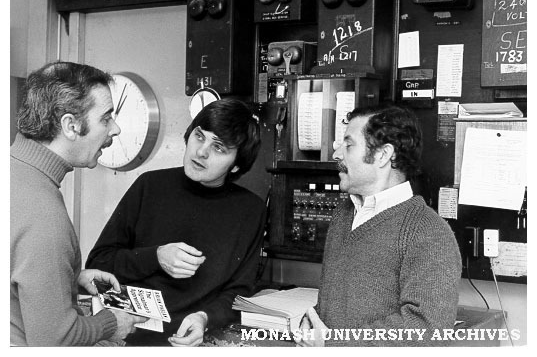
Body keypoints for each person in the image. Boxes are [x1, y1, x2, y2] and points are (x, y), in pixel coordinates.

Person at [86, 98, 266, 346]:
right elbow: (98, 264)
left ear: (236, 166)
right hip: (125, 336)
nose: (201, 152)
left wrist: (205, 318)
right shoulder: (149, 185)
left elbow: (241, 291)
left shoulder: (251, 210)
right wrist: (156, 257)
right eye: (199, 136)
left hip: (194, 339)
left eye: (219, 148)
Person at [296, 105, 461, 347]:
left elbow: (426, 330)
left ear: (383, 155)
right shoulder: (344, 215)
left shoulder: (428, 233)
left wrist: (333, 346)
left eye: (348, 144)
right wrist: (312, 321)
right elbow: (338, 305)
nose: (337, 155)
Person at [11, 61, 147, 346]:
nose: (116, 129)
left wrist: (68, 278)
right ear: (71, 126)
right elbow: (54, 341)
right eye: (106, 118)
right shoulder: (44, 215)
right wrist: (110, 324)